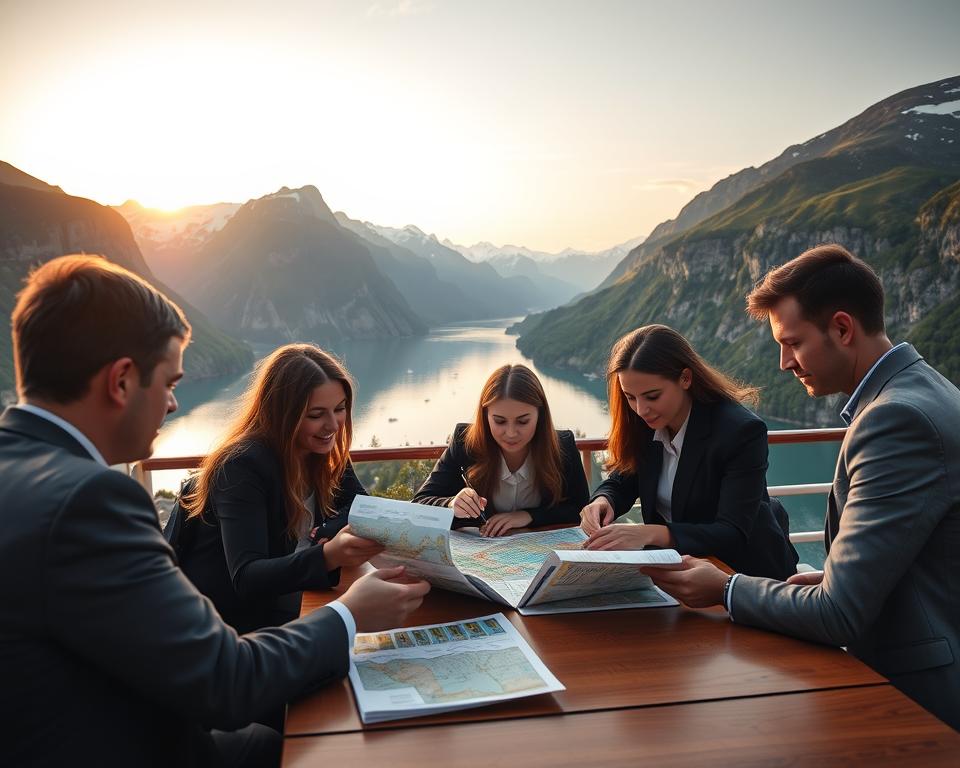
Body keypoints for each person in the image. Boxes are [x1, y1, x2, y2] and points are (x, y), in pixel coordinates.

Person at [0, 255, 430, 768]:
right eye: (170, 382)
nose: (173, 405)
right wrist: (351, 614)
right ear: (120, 381)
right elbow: (226, 681)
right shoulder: (91, 502)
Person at [641, 244, 960, 730]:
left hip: (919, 700)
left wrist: (725, 588)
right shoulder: (926, 389)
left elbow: (839, 615)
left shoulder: (895, 420)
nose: (784, 362)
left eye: (792, 342)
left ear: (842, 328)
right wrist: (835, 578)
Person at [176, 344, 383, 635]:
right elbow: (247, 576)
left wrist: (328, 531)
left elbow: (361, 503)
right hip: (232, 629)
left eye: (339, 409)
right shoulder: (241, 466)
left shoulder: (322, 451)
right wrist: (328, 556)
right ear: (282, 413)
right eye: (316, 414)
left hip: (291, 602)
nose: (333, 425)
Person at [579, 325, 797, 580]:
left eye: (652, 396)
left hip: (745, 575)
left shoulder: (740, 432)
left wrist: (650, 533)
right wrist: (603, 501)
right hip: (681, 570)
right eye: (630, 397)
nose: (641, 409)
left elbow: (732, 533)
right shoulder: (646, 424)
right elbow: (624, 478)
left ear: (685, 378)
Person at [413, 364, 589, 536]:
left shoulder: (562, 447)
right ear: (485, 416)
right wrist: (451, 504)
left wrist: (528, 516)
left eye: (522, 421)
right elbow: (418, 505)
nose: (511, 433)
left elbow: (581, 510)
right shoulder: (464, 443)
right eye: (499, 421)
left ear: (540, 415)